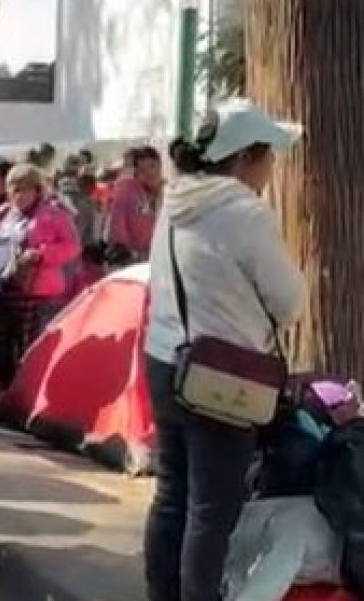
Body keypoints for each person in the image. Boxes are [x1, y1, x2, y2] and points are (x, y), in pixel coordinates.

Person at [143, 102, 305, 601]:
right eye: (268, 157)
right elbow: (290, 298)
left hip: (164, 358)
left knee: (172, 496)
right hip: (223, 377)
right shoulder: (244, 211)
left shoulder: (176, 199)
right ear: (245, 159)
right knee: (213, 510)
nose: (271, 170)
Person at [0, 163, 80, 392]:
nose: (18, 195)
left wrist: (41, 254)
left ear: (37, 190)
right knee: (0, 342)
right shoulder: (1, 214)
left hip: (32, 291)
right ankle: (4, 389)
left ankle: (28, 391)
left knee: (28, 344)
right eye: (14, 189)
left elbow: (72, 247)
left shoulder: (54, 215)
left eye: (24, 189)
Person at [106, 145, 163, 261]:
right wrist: (123, 251)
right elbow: (117, 224)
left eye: (152, 166)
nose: (149, 173)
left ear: (160, 165)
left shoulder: (171, 192)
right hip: (137, 260)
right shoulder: (128, 191)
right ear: (136, 172)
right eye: (142, 170)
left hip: (166, 256)